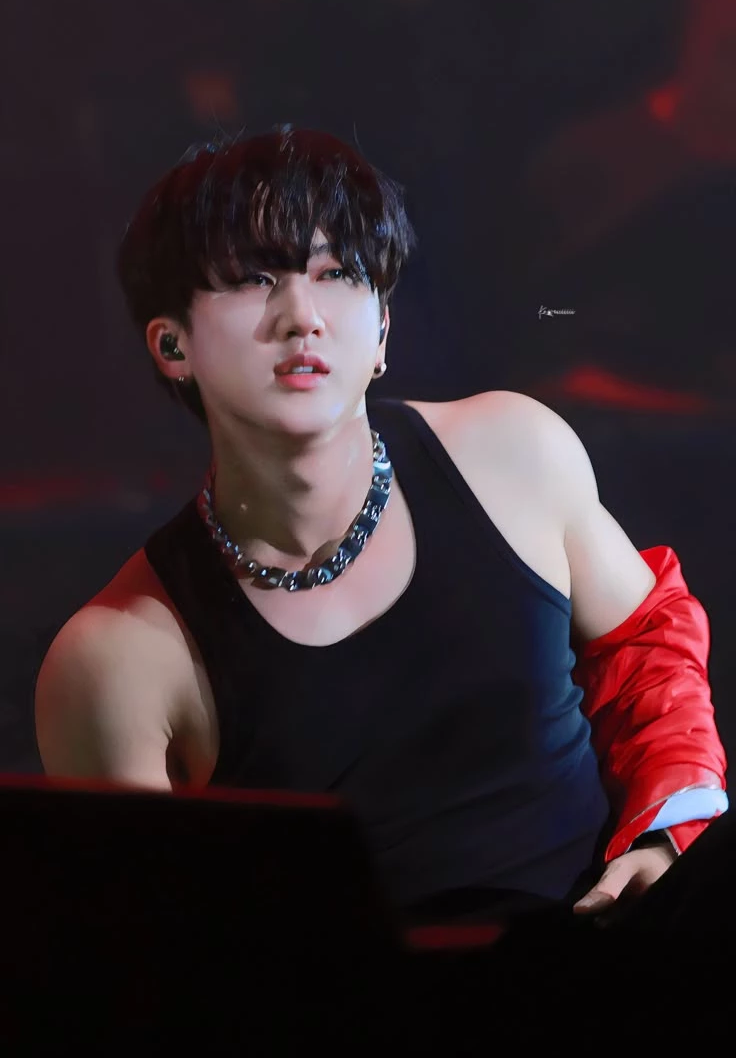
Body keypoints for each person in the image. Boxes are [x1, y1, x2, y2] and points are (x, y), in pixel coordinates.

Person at [34, 127, 728, 931]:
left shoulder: (514, 453)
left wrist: (663, 840)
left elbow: (648, 642)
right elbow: (144, 956)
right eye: (254, 277)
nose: (302, 316)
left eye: (335, 273)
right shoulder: (116, 658)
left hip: (615, 966)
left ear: (383, 333)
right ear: (170, 344)